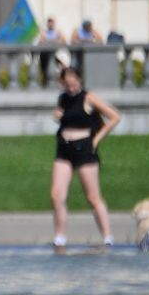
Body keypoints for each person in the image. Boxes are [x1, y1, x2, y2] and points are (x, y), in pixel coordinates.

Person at [50, 64, 120, 249]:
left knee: (92, 197)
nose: (70, 87)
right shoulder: (63, 98)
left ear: (79, 81)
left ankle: (107, 237)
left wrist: (96, 139)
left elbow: (114, 117)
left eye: (73, 83)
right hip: (64, 147)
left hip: (84, 148)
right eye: (66, 84)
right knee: (56, 195)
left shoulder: (88, 97)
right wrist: (57, 116)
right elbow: (63, 117)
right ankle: (60, 237)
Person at [36, 17, 64, 82]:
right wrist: (53, 40)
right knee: (44, 70)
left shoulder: (57, 32)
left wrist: (49, 41)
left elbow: (62, 40)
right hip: (45, 54)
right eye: (49, 24)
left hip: (54, 54)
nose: (50, 25)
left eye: (51, 23)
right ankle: (45, 82)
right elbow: (41, 42)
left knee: (61, 67)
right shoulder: (44, 32)